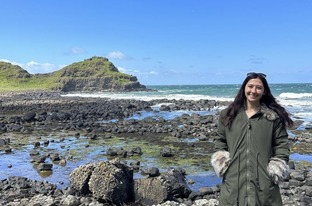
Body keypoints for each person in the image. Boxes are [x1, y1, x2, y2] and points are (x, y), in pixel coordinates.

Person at [211, 72, 293, 205]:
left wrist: (276, 168)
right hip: (233, 180)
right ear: (244, 88)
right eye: (250, 86)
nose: (253, 91)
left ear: (264, 91)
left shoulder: (272, 117)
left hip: (264, 181)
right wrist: (222, 162)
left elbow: (282, 145)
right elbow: (220, 140)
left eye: (258, 87)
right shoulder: (228, 115)